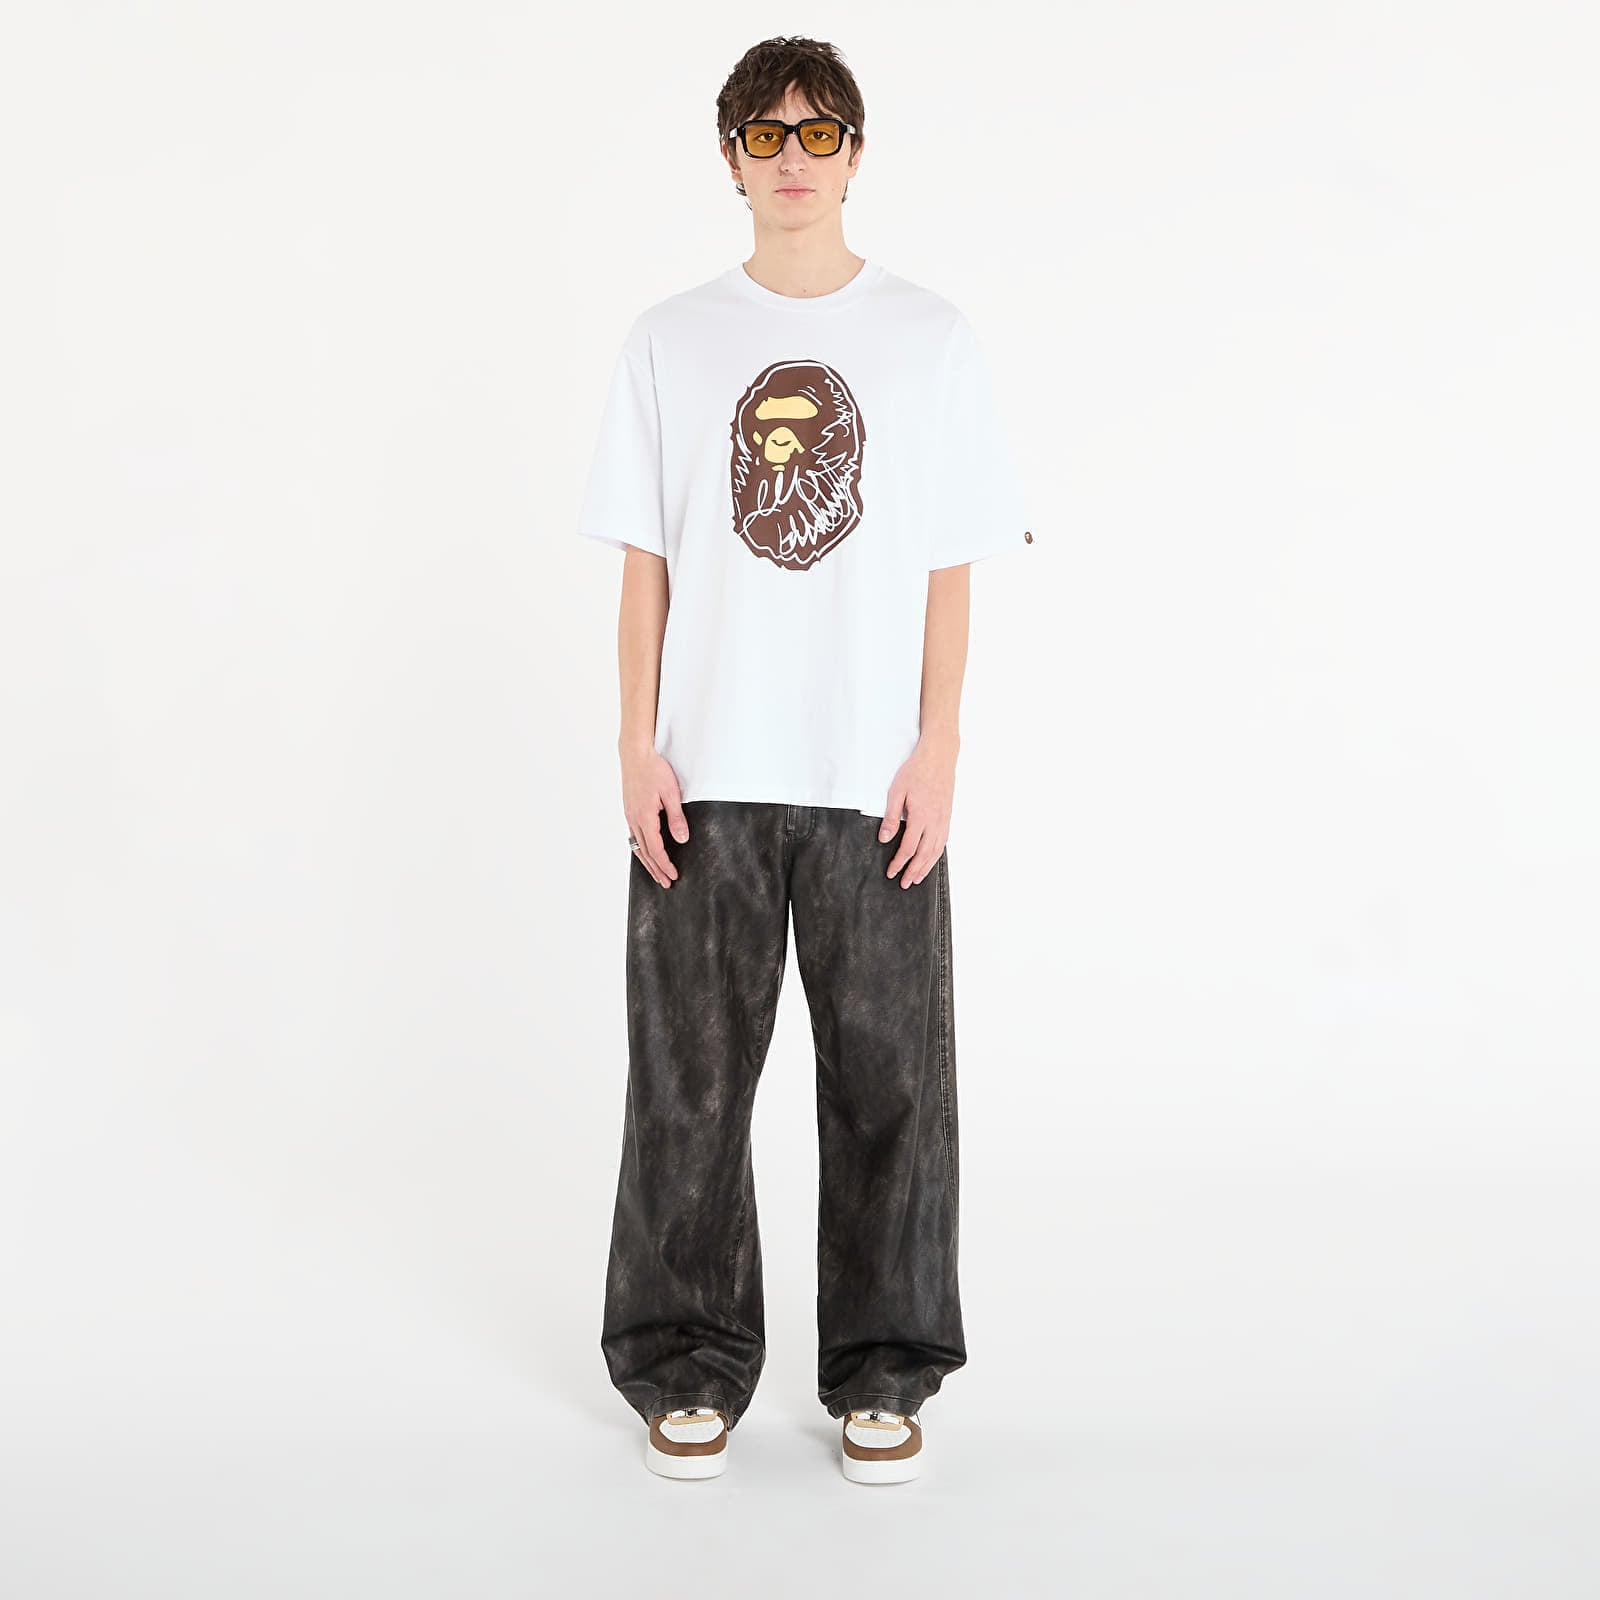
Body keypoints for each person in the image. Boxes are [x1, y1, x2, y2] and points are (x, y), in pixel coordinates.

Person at [574, 36, 1034, 1483]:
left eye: (818, 132)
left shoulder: (929, 337)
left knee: (893, 1084)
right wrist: (636, 741)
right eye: (766, 134)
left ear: (854, 153)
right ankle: (685, 1363)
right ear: (730, 157)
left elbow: (952, 564)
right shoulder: (670, 339)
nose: (792, 157)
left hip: (870, 777)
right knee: (687, 1087)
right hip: (705, 771)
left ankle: (886, 1369)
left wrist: (940, 744)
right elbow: (645, 564)